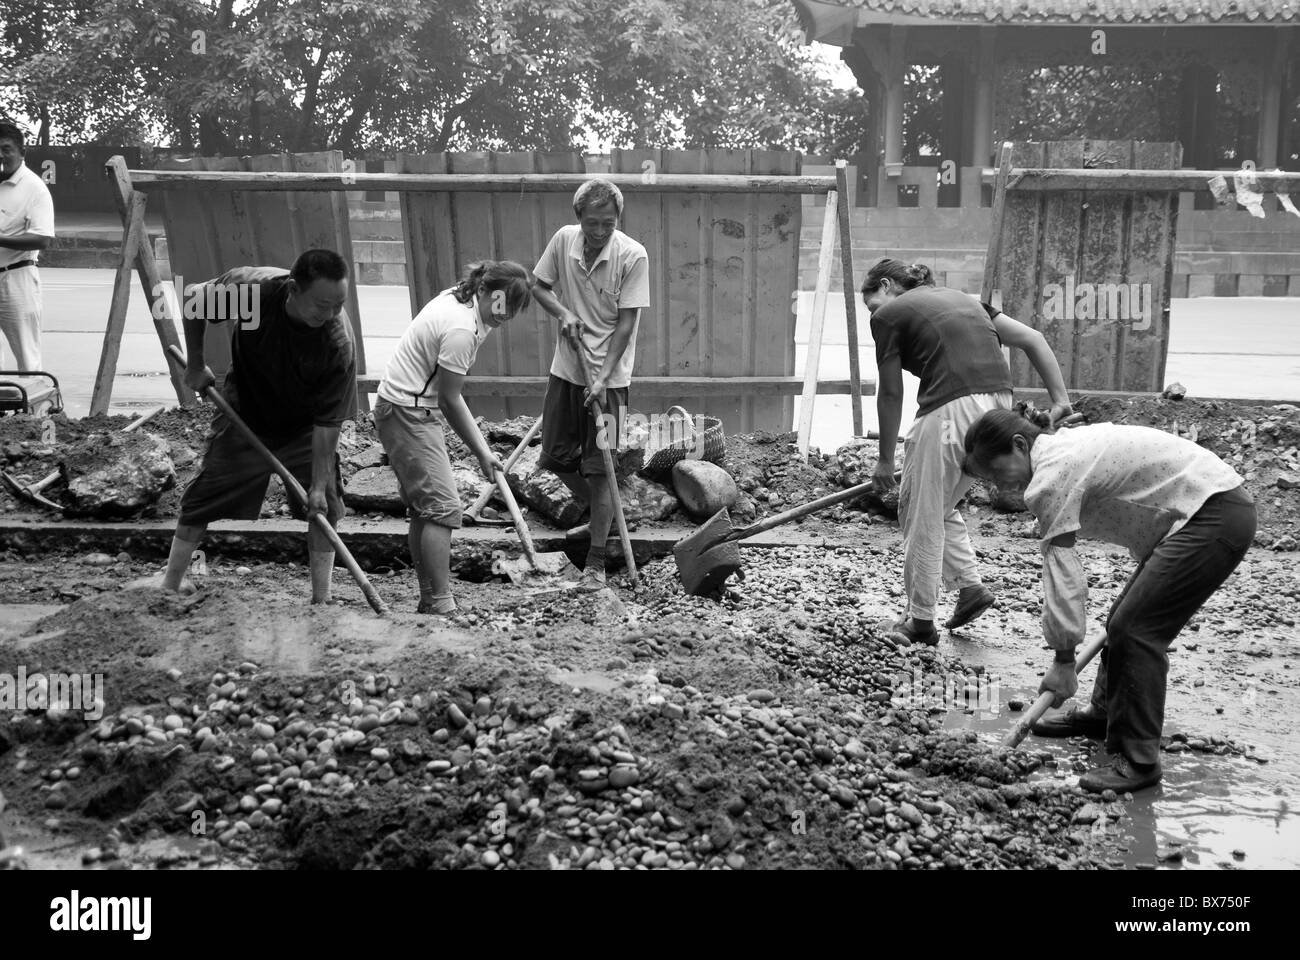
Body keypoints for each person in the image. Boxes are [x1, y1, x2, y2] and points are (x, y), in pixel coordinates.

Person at [963, 409, 1256, 792]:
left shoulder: (1050, 477)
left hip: (1212, 515)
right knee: (1123, 619)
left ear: (1020, 445)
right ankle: (1103, 714)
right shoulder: (1060, 448)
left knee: (1136, 631)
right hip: (1202, 511)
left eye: (996, 471)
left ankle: (1139, 761)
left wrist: (1064, 660)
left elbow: (1062, 574)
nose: (998, 485)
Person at [863, 259, 1071, 645]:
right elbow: (1033, 340)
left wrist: (886, 460)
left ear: (887, 286)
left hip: (949, 408)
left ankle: (920, 621)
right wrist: (1060, 400)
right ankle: (969, 587)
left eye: (872, 303)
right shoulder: (968, 301)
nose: (874, 314)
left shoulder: (889, 314)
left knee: (919, 509)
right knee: (941, 504)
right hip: (997, 409)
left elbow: (891, 392)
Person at [138, 249, 356, 603]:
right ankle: (171, 584)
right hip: (246, 411)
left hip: (303, 425)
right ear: (293, 290)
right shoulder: (255, 294)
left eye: (339, 304)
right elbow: (195, 299)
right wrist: (196, 365)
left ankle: (321, 599)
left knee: (324, 507)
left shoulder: (336, 342)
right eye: (321, 304)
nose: (331, 313)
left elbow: (328, 422)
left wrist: (317, 484)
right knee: (202, 498)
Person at [373, 261, 532, 614]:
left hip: (402, 406)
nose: (505, 315)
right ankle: (441, 603)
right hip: (407, 412)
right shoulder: (462, 328)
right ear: (485, 291)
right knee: (443, 508)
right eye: (502, 304)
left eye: (513, 310)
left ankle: (431, 597)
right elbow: (450, 398)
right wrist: (482, 452)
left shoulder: (462, 299)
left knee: (425, 511)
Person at [530, 179, 649, 591]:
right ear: (578, 217)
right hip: (566, 370)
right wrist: (563, 313)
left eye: (608, 224)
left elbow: (628, 323)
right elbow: (538, 285)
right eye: (592, 223)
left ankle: (596, 564)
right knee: (556, 458)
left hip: (612, 382)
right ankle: (610, 509)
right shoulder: (564, 241)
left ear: (618, 220)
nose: (600, 232)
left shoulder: (633, 255)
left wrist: (601, 379)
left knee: (601, 470)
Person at [0, 121, 55, 371]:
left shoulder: (34, 188)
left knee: (26, 357)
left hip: (17, 278)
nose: (1, 155)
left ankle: (34, 411)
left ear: (22, 152)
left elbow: (42, 239)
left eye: (6, 148)